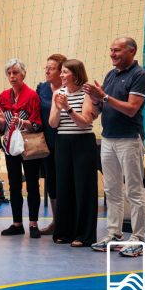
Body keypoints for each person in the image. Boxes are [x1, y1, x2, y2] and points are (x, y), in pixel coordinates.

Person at [84, 37, 145, 257]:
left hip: (129, 140)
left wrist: (104, 96)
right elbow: (103, 107)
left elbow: (131, 109)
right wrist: (95, 99)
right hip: (108, 139)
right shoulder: (111, 75)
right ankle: (114, 234)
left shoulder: (140, 75)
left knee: (134, 191)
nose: (112, 54)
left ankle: (138, 238)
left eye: (117, 50)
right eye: (111, 50)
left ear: (132, 51)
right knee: (112, 190)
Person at [48, 59, 99, 247]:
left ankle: (84, 235)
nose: (61, 75)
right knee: (64, 187)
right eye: (61, 71)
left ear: (76, 74)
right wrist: (58, 107)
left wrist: (68, 108)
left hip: (82, 143)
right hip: (63, 143)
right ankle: (64, 232)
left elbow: (85, 122)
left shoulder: (86, 94)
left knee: (83, 189)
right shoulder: (58, 93)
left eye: (65, 72)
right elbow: (53, 123)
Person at [0, 58, 43, 238]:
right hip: (10, 146)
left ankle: (33, 224)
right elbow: (0, 128)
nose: (12, 76)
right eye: (9, 73)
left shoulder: (32, 96)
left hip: (29, 145)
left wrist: (22, 122)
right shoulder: (3, 96)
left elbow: (37, 124)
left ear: (23, 74)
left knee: (32, 184)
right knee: (14, 185)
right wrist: (0, 122)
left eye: (15, 73)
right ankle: (17, 224)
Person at [35, 53, 66, 235]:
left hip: (65, 142)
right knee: (52, 183)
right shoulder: (42, 88)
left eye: (51, 68)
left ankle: (69, 222)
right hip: (47, 144)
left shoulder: (69, 89)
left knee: (66, 183)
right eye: (46, 67)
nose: (47, 71)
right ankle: (57, 222)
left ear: (61, 72)